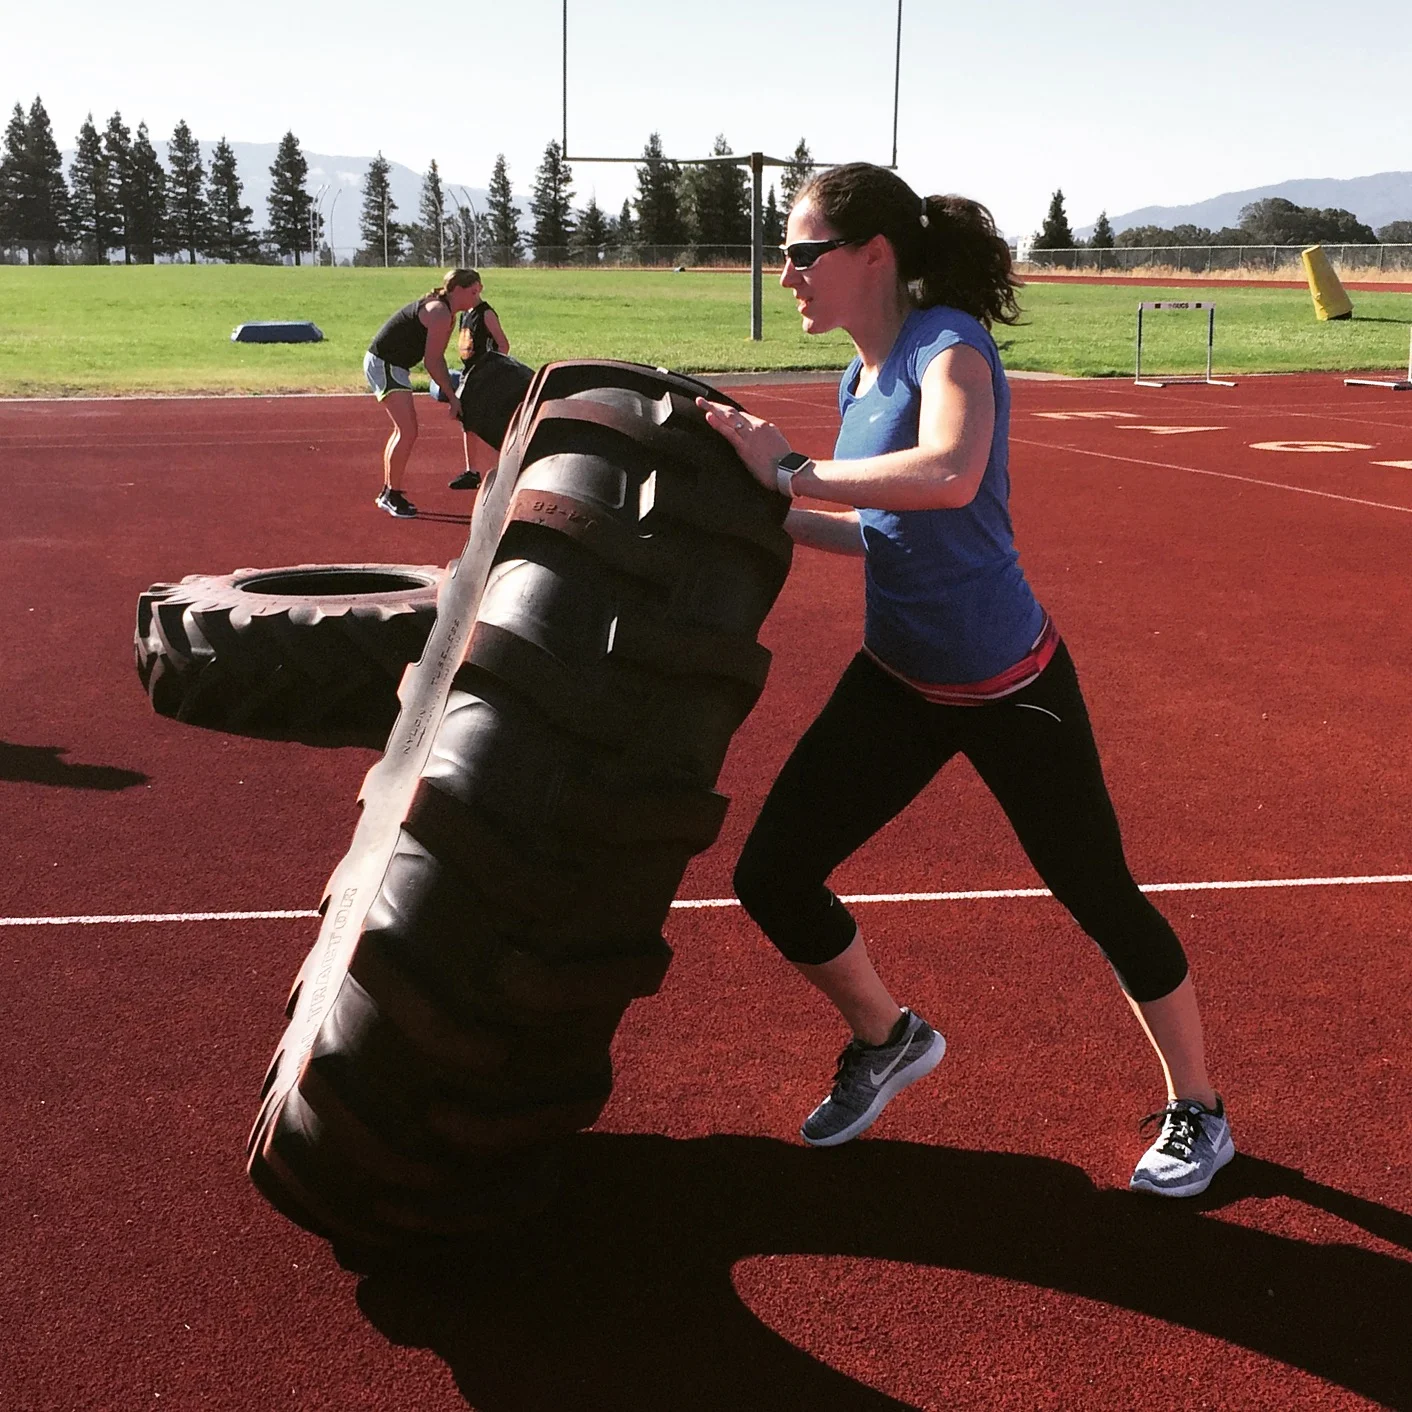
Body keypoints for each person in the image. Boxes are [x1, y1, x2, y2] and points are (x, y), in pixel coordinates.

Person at [698, 162, 1234, 1199]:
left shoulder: (948, 346)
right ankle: (888, 1035)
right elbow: (881, 529)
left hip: (1009, 685)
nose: (787, 273)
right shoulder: (857, 378)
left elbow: (946, 473)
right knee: (769, 875)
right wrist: (769, 512)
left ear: (873, 255)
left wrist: (789, 471)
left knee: (1099, 894)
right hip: (898, 680)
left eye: (802, 253)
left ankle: (1200, 1111)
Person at [364, 269, 483, 518]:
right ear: (457, 290)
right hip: (386, 364)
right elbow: (432, 361)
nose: (478, 298)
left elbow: (436, 357)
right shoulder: (439, 312)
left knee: (404, 430)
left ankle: (388, 492)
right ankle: (391, 494)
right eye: (473, 292)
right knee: (407, 430)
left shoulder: (447, 313)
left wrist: (452, 394)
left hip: (392, 364)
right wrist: (452, 397)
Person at [448, 275, 512, 491]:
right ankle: (472, 471)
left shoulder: (486, 313)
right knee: (468, 421)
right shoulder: (465, 314)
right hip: (470, 374)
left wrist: (493, 368)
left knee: (492, 422)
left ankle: (505, 470)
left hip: (486, 374)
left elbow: (503, 344)